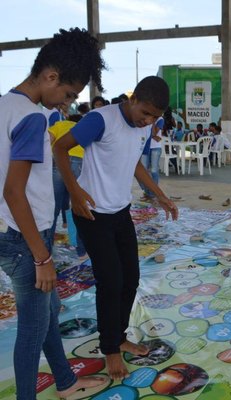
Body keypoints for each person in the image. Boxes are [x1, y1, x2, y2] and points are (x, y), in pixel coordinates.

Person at [0, 27, 108, 399]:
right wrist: (42, 256)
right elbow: (14, 192)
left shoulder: (5, 105)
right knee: (32, 328)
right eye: (67, 94)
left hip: (16, 233)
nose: (66, 103)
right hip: (24, 239)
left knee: (49, 310)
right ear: (50, 76)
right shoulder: (30, 117)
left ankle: (64, 381)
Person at [53, 76, 179, 380]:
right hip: (92, 212)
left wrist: (159, 195)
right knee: (110, 280)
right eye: (145, 113)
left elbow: (135, 163)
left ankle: (119, 335)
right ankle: (109, 348)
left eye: (154, 117)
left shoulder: (145, 126)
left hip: (121, 211)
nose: (147, 121)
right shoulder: (100, 120)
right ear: (133, 98)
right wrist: (74, 191)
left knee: (131, 278)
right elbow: (60, 147)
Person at [50, 117, 89, 261]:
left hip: (59, 161)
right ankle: (82, 251)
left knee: (53, 209)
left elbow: (47, 139)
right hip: (80, 161)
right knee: (80, 207)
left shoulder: (60, 125)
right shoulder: (83, 127)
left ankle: (47, 250)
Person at [139, 116, 165, 202]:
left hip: (155, 148)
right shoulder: (145, 118)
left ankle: (153, 194)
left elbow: (153, 132)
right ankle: (147, 192)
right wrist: (154, 136)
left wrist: (153, 122)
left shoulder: (160, 119)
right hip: (145, 147)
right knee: (143, 170)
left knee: (154, 170)